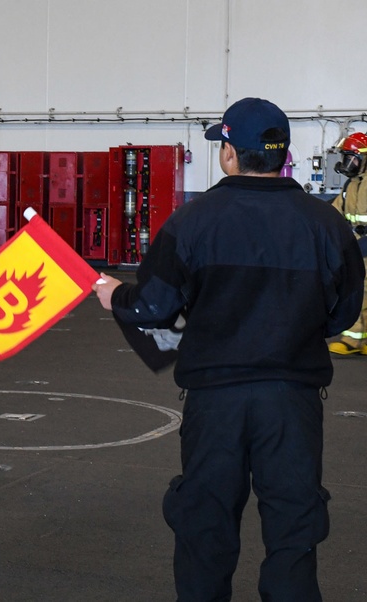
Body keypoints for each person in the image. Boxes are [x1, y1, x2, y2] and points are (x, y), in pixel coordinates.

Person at [93, 98, 365, 601]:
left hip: (214, 401)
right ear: (282, 154)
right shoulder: (326, 224)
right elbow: (345, 313)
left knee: (205, 524)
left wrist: (117, 297)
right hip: (292, 400)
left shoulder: (193, 221)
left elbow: (153, 308)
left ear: (230, 155)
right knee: (293, 529)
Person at [328, 131, 367, 355]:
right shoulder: (351, 186)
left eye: (352, 158)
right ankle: (361, 339)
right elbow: (335, 211)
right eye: (346, 158)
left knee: (361, 293)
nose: (348, 163)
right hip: (357, 247)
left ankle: (353, 340)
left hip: (363, 247)